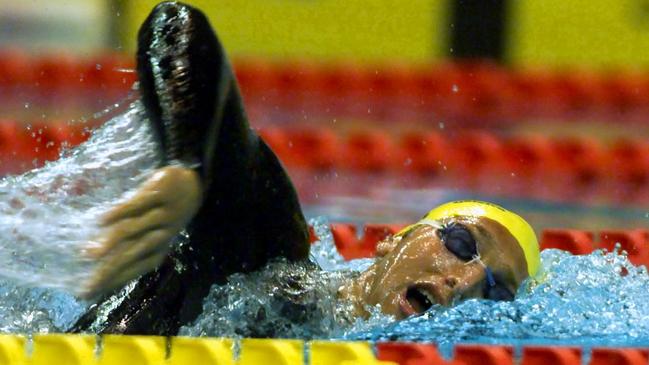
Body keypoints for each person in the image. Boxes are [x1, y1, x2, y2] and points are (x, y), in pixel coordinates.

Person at [68, 2, 539, 335]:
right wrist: (190, 164)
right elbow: (177, 26)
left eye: (497, 292)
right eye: (461, 243)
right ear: (392, 239)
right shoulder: (267, 260)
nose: (469, 282)